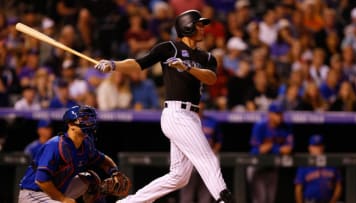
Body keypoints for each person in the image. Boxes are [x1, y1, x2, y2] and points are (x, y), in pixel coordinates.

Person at [94, 9, 232, 203]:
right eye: (199, 24)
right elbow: (138, 63)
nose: (203, 28)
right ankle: (223, 198)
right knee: (207, 159)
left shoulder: (207, 58)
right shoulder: (169, 48)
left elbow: (211, 78)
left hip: (191, 116)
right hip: (176, 114)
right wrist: (114, 65)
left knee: (179, 177)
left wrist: (187, 67)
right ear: (187, 26)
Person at [18, 105, 130, 203]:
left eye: (90, 119)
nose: (89, 122)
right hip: (33, 193)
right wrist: (62, 199)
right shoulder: (56, 145)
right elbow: (41, 180)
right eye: (84, 119)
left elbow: (104, 160)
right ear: (71, 124)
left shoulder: (86, 145)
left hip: (56, 189)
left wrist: (114, 172)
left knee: (91, 179)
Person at [246, 102, 294, 203]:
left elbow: (289, 149)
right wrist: (278, 149)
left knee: (270, 200)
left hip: (272, 167)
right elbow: (256, 150)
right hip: (257, 167)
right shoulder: (260, 126)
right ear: (270, 114)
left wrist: (271, 147)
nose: (280, 117)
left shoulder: (286, 127)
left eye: (281, 114)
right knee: (260, 200)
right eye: (277, 114)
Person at [178, 99, 223, 203]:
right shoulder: (185, 121)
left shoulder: (212, 121)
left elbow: (218, 141)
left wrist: (211, 154)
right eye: (198, 103)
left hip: (206, 160)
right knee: (187, 194)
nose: (200, 106)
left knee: (206, 193)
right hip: (191, 159)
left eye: (201, 103)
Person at [294, 134, 342, 203]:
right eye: (315, 146)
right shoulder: (304, 165)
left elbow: (338, 186)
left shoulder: (332, 163)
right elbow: (298, 189)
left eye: (319, 146)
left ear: (323, 147)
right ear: (309, 148)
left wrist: (333, 201)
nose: (318, 149)